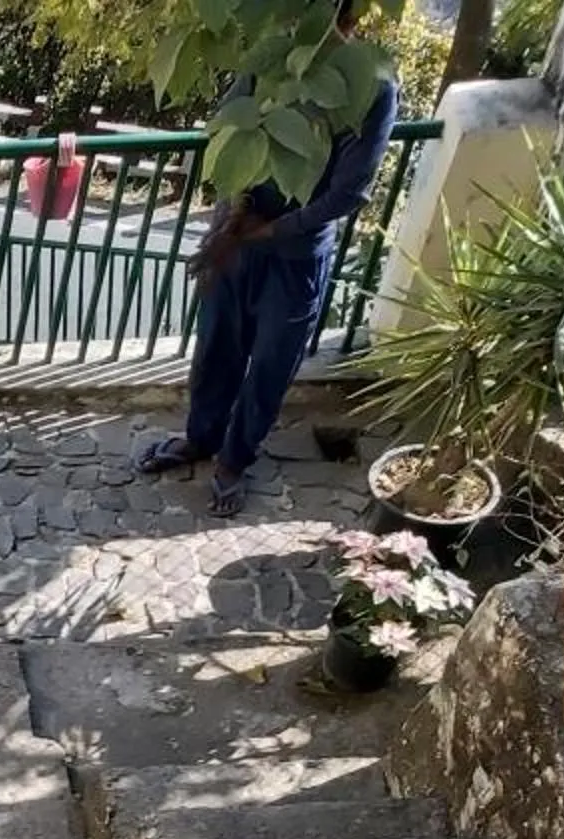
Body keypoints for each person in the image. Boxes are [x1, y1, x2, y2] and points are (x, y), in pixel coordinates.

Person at [139, 5, 399, 517]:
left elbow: (350, 191)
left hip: (295, 254)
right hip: (234, 238)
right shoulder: (274, 56)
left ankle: (235, 461)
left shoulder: (374, 85)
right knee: (215, 349)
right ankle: (201, 439)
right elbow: (226, 128)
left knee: (270, 368)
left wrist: (275, 228)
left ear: (345, 15)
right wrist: (233, 210)